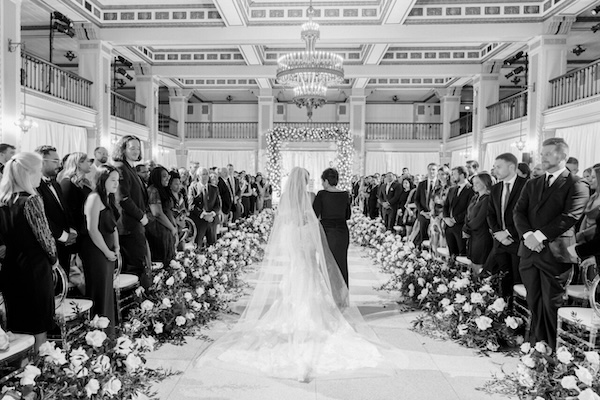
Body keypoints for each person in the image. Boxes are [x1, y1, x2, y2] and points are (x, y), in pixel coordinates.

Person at [194, 166, 407, 381]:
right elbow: (313, 219)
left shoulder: (287, 196)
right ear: (305, 180)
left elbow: (285, 219)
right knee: (309, 268)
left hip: (293, 237)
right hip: (305, 236)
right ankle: (321, 310)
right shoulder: (312, 195)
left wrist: (295, 227)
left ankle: (295, 309)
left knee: (298, 269)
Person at [514, 138, 588, 350]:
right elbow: (518, 212)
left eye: (547, 153)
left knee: (551, 303)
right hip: (529, 252)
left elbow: (570, 216)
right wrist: (528, 235)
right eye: (542, 153)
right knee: (534, 301)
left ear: (562, 156)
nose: (542, 157)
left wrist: (538, 236)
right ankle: (537, 346)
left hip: (555, 253)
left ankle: (553, 351)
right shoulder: (532, 183)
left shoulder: (576, 183)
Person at [0, 152, 57, 351]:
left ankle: (24, 373)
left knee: (18, 324)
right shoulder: (31, 200)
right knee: (38, 323)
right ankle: (41, 371)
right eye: (38, 171)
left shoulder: (3, 201)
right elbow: (45, 237)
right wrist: (54, 259)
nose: (40, 176)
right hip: (35, 269)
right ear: (28, 173)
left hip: (10, 269)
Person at [80, 165, 120, 336]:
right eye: (113, 180)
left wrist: (117, 247)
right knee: (100, 292)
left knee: (107, 291)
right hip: (97, 252)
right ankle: (98, 335)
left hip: (109, 250)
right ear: (102, 180)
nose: (116, 184)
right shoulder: (94, 198)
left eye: (118, 180)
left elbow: (113, 226)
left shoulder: (108, 198)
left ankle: (109, 333)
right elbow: (92, 230)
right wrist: (106, 251)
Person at [486, 153, 527, 299]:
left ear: (511, 167)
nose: (495, 170)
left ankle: (518, 315)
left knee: (518, 280)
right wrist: (498, 233)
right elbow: (490, 214)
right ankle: (504, 311)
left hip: (518, 241)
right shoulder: (496, 188)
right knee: (503, 279)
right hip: (500, 241)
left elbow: (527, 215)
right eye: (494, 167)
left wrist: (508, 233)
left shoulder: (526, 185)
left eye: (498, 167)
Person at [113, 135, 150, 288]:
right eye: (132, 148)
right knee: (135, 266)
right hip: (128, 225)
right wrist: (141, 216)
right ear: (123, 149)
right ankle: (136, 307)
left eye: (138, 148)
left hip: (135, 224)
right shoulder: (121, 168)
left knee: (140, 264)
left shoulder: (130, 167)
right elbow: (123, 198)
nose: (136, 151)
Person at [35, 145, 77, 273]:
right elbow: (41, 216)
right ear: (42, 161)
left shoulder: (55, 183)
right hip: (49, 243)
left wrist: (71, 229)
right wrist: (63, 236)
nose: (59, 165)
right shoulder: (35, 186)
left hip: (65, 242)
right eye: (55, 161)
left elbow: (65, 208)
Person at [313, 168, 351, 287]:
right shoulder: (345, 194)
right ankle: (342, 293)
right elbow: (348, 215)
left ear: (326, 181)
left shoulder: (322, 194)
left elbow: (314, 213)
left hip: (327, 232)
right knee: (341, 262)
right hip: (342, 231)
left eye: (322, 181)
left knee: (327, 263)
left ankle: (328, 293)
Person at [462, 173, 494, 276]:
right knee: (472, 264)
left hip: (481, 236)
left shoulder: (488, 199)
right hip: (473, 236)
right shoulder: (475, 198)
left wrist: (466, 229)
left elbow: (480, 219)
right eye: (473, 183)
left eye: (477, 183)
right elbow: (467, 215)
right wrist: (465, 227)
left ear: (485, 183)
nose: (473, 185)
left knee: (479, 265)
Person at [146, 166, 177, 266]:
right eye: (164, 176)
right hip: (158, 230)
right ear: (156, 177)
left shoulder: (163, 190)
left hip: (166, 228)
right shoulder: (153, 190)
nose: (167, 178)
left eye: (168, 176)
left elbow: (168, 211)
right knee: (163, 261)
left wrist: (174, 226)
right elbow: (157, 213)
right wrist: (172, 228)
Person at [57, 152, 93, 237]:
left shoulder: (84, 182)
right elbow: (68, 208)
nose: (90, 164)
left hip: (86, 225)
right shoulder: (67, 182)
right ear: (79, 163)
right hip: (78, 228)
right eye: (87, 161)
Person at [443, 166, 474, 257]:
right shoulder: (452, 189)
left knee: (462, 254)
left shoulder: (471, 190)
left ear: (462, 175)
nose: (452, 176)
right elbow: (446, 205)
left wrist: (455, 220)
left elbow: (469, 209)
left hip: (461, 226)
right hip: (449, 226)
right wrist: (446, 218)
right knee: (452, 253)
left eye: (454, 174)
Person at [189, 168, 221, 248]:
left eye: (207, 174)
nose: (206, 176)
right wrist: (204, 215)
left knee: (213, 247)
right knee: (198, 246)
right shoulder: (193, 188)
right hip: (199, 222)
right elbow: (191, 205)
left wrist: (212, 214)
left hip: (212, 221)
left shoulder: (214, 189)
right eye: (203, 174)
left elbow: (218, 205)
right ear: (198, 176)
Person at [414, 163, 438, 246]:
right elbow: (416, 200)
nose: (431, 171)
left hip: (436, 215)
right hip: (423, 213)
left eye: (434, 169)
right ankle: (423, 253)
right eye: (430, 169)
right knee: (423, 235)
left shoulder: (440, 184)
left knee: (435, 236)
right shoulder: (422, 184)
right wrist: (422, 211)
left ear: (437, 171)